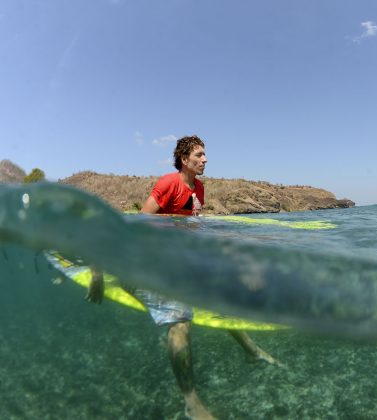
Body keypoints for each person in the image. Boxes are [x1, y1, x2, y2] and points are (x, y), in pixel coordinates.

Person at [86, 135, 280, 420]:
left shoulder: (199, 188)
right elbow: (139, 225)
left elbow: (190, 228)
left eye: (205, 154)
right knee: (181, 322)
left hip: (176, 263)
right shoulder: (168, 183)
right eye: (199, 155)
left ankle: (252, 351)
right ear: (184, 159)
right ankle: (191, 402)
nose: (205, 159)